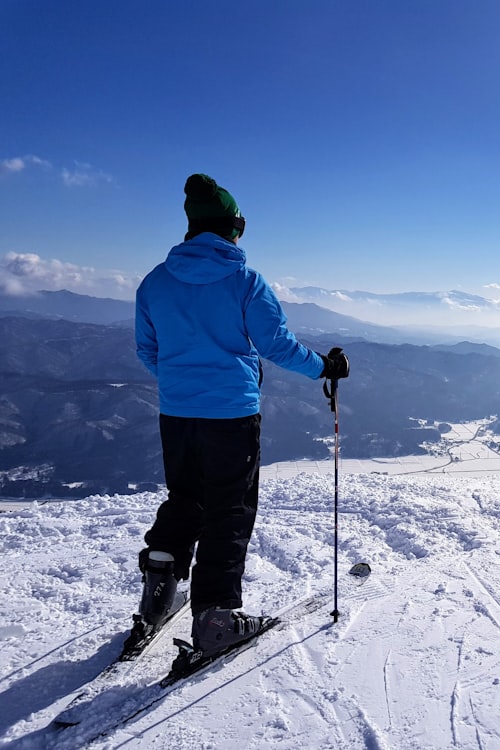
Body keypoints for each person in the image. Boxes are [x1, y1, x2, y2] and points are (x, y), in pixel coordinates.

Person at [134, 173, 349, 656]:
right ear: (235, 228)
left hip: (177, 411)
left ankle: (159, 591)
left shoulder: (155, 281)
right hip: (230, 413)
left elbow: (149, 350)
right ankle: (215, 617)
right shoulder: (244, 281)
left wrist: (181, 381)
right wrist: (325, 367)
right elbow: (276, 345)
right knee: (228, 508)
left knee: (185, 498)